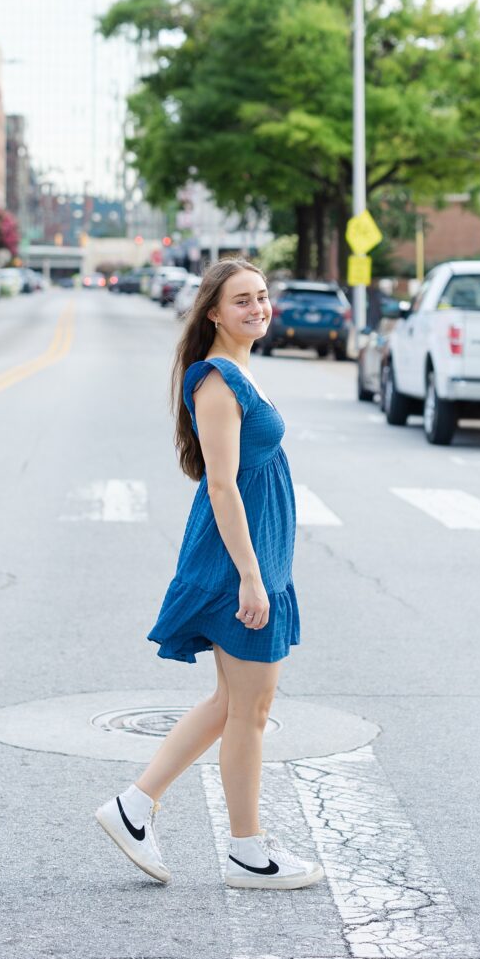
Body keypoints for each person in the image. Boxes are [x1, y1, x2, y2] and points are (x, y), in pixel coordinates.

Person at [95, 257, 324, 891]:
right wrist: (250, 577)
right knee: (249, 708)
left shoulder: (241, 369)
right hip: (236, 561)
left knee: (233, 702)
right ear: (214, 314)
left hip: (255, 556)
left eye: (262, 296)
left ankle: (133, 807)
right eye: (243, 301)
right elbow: (221, 485)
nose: (259, 308)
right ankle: (247, 852)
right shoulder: (219, 382)